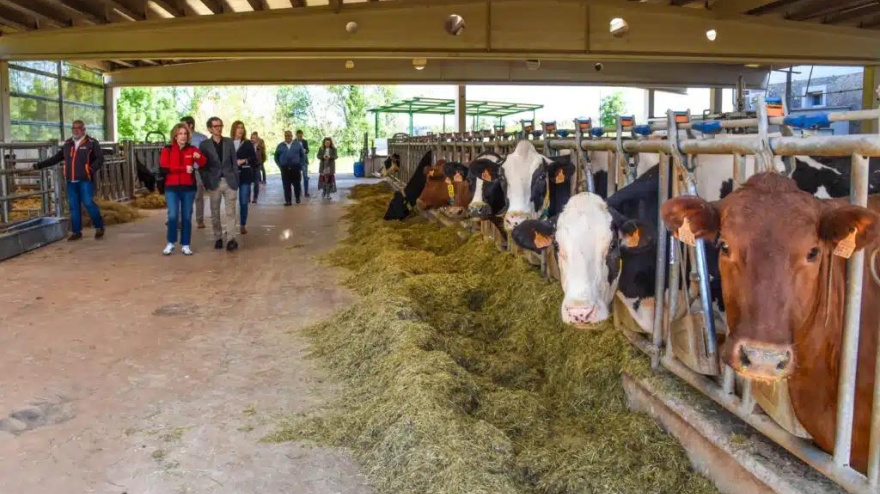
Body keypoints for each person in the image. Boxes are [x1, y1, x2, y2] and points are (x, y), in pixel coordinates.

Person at [33, 120, 105, 241]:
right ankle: (76, 232)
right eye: (73, 128)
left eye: (79, 128)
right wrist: (39, 165)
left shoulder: (92, 143)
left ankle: (99, 226)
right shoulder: (68, 144)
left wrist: (90, 169)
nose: (76, 130)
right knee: (73, 206)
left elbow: (100, 159)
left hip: (85, 180)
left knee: (88, 203)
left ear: (83, 130)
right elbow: (56, 158)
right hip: (71, 180)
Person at [159, 123, 207, 256]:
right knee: (173, 215)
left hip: (188, 188)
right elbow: (164, 167)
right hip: (172, 188)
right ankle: (170, 242)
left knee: (186, 216)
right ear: (175, 136)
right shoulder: (167, 149)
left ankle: (186, 244)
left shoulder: (192, 149)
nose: (183, 136)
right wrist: (183, 169)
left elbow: (203, 162)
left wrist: (200, 158)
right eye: (180, 134)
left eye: (185, 134)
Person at [199, 116, 240, 251]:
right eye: (216, 126)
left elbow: (234, 162)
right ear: (210, 129)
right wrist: (207, 183)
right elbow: (203, 167)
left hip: (230, 182)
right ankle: (218, 237)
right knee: (215, 212)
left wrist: (236, 179)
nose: (219, 128)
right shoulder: (204, 145)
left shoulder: (229, 142)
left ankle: (231, 239)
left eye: (220, 125)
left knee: (231, 212)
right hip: (214, 183)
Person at [181, 116, 209, 229]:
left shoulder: (202, 138)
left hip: (197, 170)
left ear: (190, 125)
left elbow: (206, 154)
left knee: (198, 196)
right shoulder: (179, 138)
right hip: (183, 171)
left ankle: (200, 220)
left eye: (183, 124)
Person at [231, 121, 257, 235]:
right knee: (230, 202)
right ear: (234, 129)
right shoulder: (228, 142)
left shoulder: (247, 143)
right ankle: (231, 225)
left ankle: (242, 224)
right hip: (232, 176)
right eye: (238, 128)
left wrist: (244, 160)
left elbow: (253, 158)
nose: (240, 130)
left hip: (245, 175)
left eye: (242, 127)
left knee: (243, 202)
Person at [274, 130, 306, 205]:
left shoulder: (297, 145)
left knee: (297, 184)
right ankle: (288, 201)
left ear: (292, 136)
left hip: (295, 167)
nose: (287, 137)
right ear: (284, 136)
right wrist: (280, 166)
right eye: (286, 136)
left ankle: (297, 197)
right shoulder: (280, 145)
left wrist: (300, 165)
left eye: (289, 135)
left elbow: (303, 156)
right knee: (286, 185)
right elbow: (276, 157)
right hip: (284, 168)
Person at [250, 131, 267, 202]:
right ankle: (247, 197)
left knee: (256, 182)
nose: (252, 139)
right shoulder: (248, 145)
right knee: (248, 182)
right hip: (249, 165)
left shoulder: (260, 146)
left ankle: (255, 197)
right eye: (252, 138)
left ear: (257, 138)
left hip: (257, 165)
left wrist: (261, 162)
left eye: (254, 138)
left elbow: (263, 155)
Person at [296, 130, 310, 197]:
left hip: (304, 161)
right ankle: (298, 191)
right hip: (296, 162)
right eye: (299, 136)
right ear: (297, 135)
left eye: (301, 136)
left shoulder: (305, 141)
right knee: (297, 177)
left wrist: (305, 151)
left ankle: (306, 192)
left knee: (305, 177)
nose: (300, 137)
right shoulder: (293, 142)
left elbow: (308, 150)